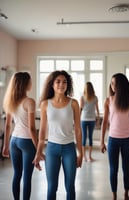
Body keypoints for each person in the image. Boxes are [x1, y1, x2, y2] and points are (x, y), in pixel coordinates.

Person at [33, 70, 82, 200]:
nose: (61, 84)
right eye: (58, 81)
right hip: (52, 148)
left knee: (70, 186)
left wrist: (81, 153)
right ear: (52, 84)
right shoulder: (45, 104)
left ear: (68, 85)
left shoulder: (74, 103)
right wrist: (38, 152)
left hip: (69, 149)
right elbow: (42, 132)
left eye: (64, 82)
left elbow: (78, 129)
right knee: (51, 187)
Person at [100, 73, 129, 200]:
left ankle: (126, 193)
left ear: (122, 85)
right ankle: (114, 195)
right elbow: (104, 122)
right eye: (111, 83)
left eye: (116, 83)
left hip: (127, 140)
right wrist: (101, 141)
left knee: (126, 169)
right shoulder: (108, 100)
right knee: (113, 170)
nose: (113, 86)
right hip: (112, 140)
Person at [2, 72, 38, 200]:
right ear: (25, 84)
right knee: (27, 176)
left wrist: (5, 146)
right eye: (30, 81)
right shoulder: (30, 102)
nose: (31, 83)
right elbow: (32, 128)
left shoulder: (10, 101)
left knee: (17, 174)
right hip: (27, 141)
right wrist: (38, 147)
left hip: (14, 141)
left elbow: (7, 126)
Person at [80, 82, 100, 162]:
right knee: (90, 137)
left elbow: (80, 109)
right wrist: (98, 117)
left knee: (84, 137)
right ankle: (89, 157)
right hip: (91, 119)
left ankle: (84, 157)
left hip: (84, 119)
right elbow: (97, 109)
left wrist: (77, 118)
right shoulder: (95, 97)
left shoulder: (83, 97)